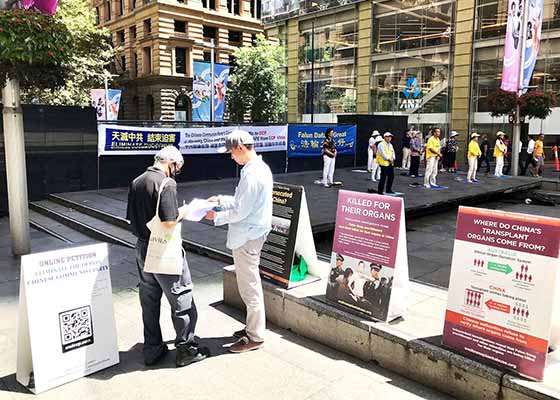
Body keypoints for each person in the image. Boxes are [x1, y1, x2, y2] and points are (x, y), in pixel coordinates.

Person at [127, 146, 209, 368]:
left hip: (142, 248)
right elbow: (169, 221)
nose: (176, 172)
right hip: (164, 250)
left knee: (149, 301)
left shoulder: (137, 181)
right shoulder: (166, 183)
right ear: (171, 162)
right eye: (178, 167)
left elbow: (131, 218)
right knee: (181, 298)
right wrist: (187, 210)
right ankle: (186, 349)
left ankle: (152, 350)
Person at [205, 129, 273, 353]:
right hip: (252, 233)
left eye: (231, 153)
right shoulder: (257, 169)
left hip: (248, 236)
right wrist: (221, 200)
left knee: (249, 287)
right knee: (249, 285)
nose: (231, 157)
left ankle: (255, 336)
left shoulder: (252, 174)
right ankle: (253, 328)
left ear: (241, 148)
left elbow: (242, 210)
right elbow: (242, 201)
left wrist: (216, 215)